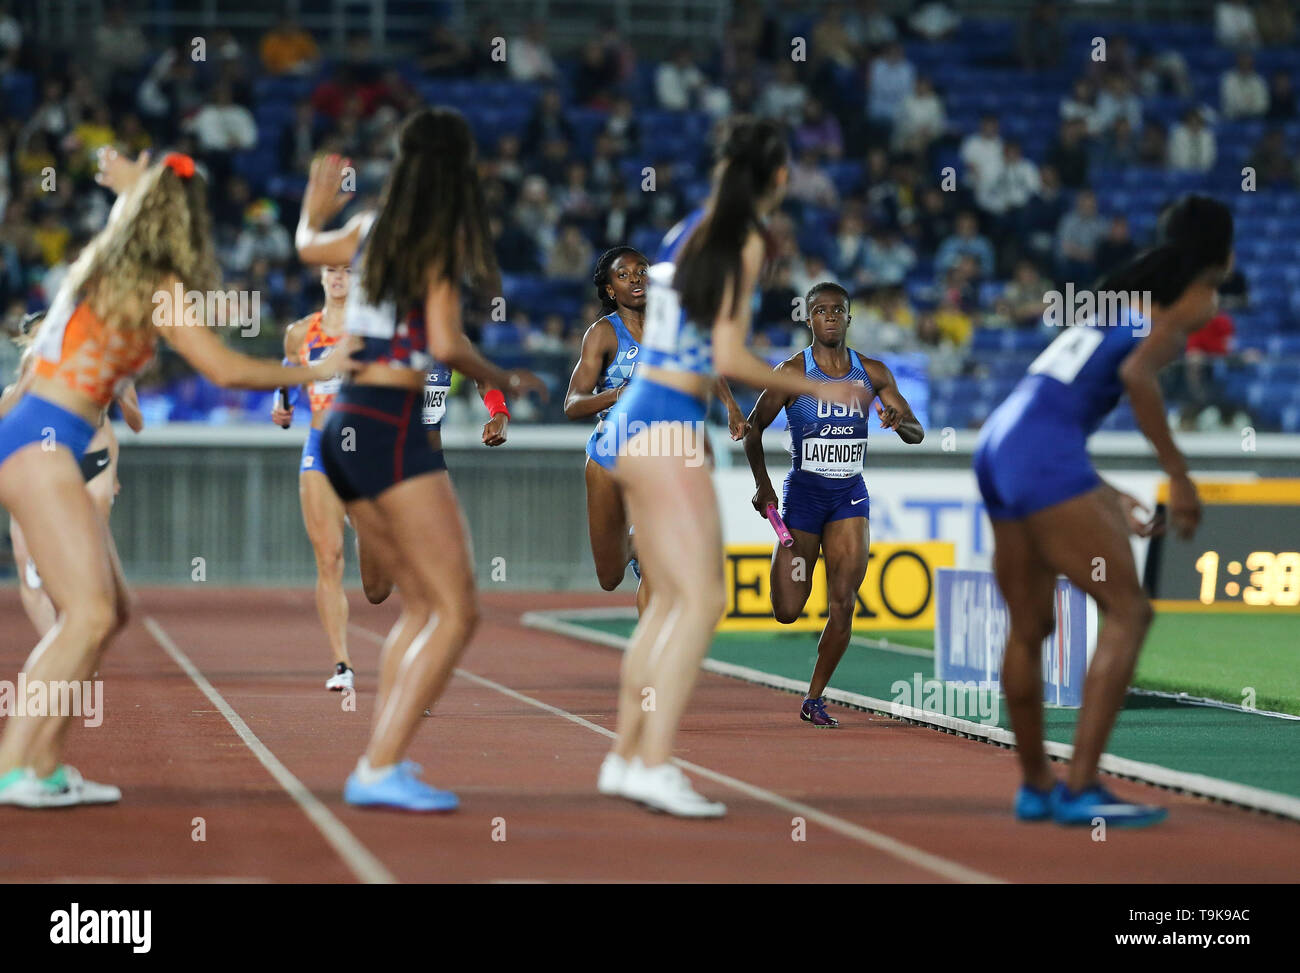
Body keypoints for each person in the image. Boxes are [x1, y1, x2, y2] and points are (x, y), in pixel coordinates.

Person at [0, 150, 360, 808]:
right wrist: (315, 369)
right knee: (87, 613)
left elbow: (31, 373)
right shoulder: (154, 282)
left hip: (34, 435)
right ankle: (13, 764)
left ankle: (45, 765)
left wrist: (134, 187)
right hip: (41, 444)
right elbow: (224, 369)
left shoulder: (107, 264)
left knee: (110, 612)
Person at [591, 117, 868, 816]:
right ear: (779, 177)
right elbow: (726, 355)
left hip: (635, 424)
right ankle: (649, 761)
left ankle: (629, 755)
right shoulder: (744, 239)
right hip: (664, 427)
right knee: (701, 599)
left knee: (665, 600)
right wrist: (816, 385)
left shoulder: (692, 227)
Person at [294, 110, 544, 813]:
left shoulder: (373, 228)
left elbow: (311, 247)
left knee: (423, 603)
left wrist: (311, 213)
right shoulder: (436, 233)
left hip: (347, 423)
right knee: (457, 610)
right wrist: (504, 375)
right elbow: (442, 337)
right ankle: (379, 763)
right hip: (389, 425)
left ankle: (385, 757)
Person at [972, 195, 1233, 827]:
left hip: (1001, 443)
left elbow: (1052, 409)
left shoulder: (1112, 309)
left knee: (1030, 628)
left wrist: (1105, 493)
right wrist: (1181, 476)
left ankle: (1037, 784)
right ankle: (1082, 787)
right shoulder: (1171, 314)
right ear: (1215, 262)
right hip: (1042, 455)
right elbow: (1141, 380)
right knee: (1128, 609)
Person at [744, 282, 923, 726]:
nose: (829, 317)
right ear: (808, 319)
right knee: (787, 610)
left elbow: (917, 433)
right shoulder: (790, 372)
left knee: (844, 601)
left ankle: (815, 697)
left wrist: (900, 422)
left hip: (849, 496)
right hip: (803, 496)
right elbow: (752, 429)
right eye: (819, 310)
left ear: (849, 317)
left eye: (837, 310)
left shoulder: (873, 373)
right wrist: (763, 487)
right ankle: (812, 682)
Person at [565, 246, 748, 612]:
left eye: (642, 271)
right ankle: (632, 543)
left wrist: (731, 407)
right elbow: (572, 404)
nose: (636, 279)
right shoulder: (602, 335)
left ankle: (653, 661)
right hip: (609, 456)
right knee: (610, 576)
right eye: (624, 275)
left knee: (655, 567)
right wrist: (619, 393)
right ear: (609, 290)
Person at [3, 313, 143, 637]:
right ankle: (59, 647)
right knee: (30, 570)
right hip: (36, 467)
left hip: (89, 463)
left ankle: (78, 641)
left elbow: (125, 425)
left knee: (84, 561)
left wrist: (122, 394)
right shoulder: (31, 368)